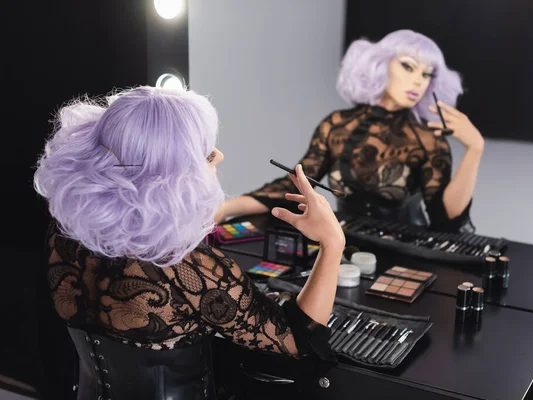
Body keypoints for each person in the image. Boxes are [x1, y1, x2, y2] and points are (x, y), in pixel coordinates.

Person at [33, 85, 344, 400]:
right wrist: (332, 243)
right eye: (208, 153)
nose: (219, 155)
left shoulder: (64, 235)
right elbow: (296, 340)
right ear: (173, 179)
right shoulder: (187, 269)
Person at [216, 29, 484, 232]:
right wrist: (226, 208)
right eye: (408, 66)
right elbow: (294, 183)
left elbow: (446, 218)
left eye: (427, 74)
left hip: (407, 252)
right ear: (380, 64)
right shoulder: (337, 125)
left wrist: (474, 149)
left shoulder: (427, 140)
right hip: (344, 246)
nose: (418, 80)